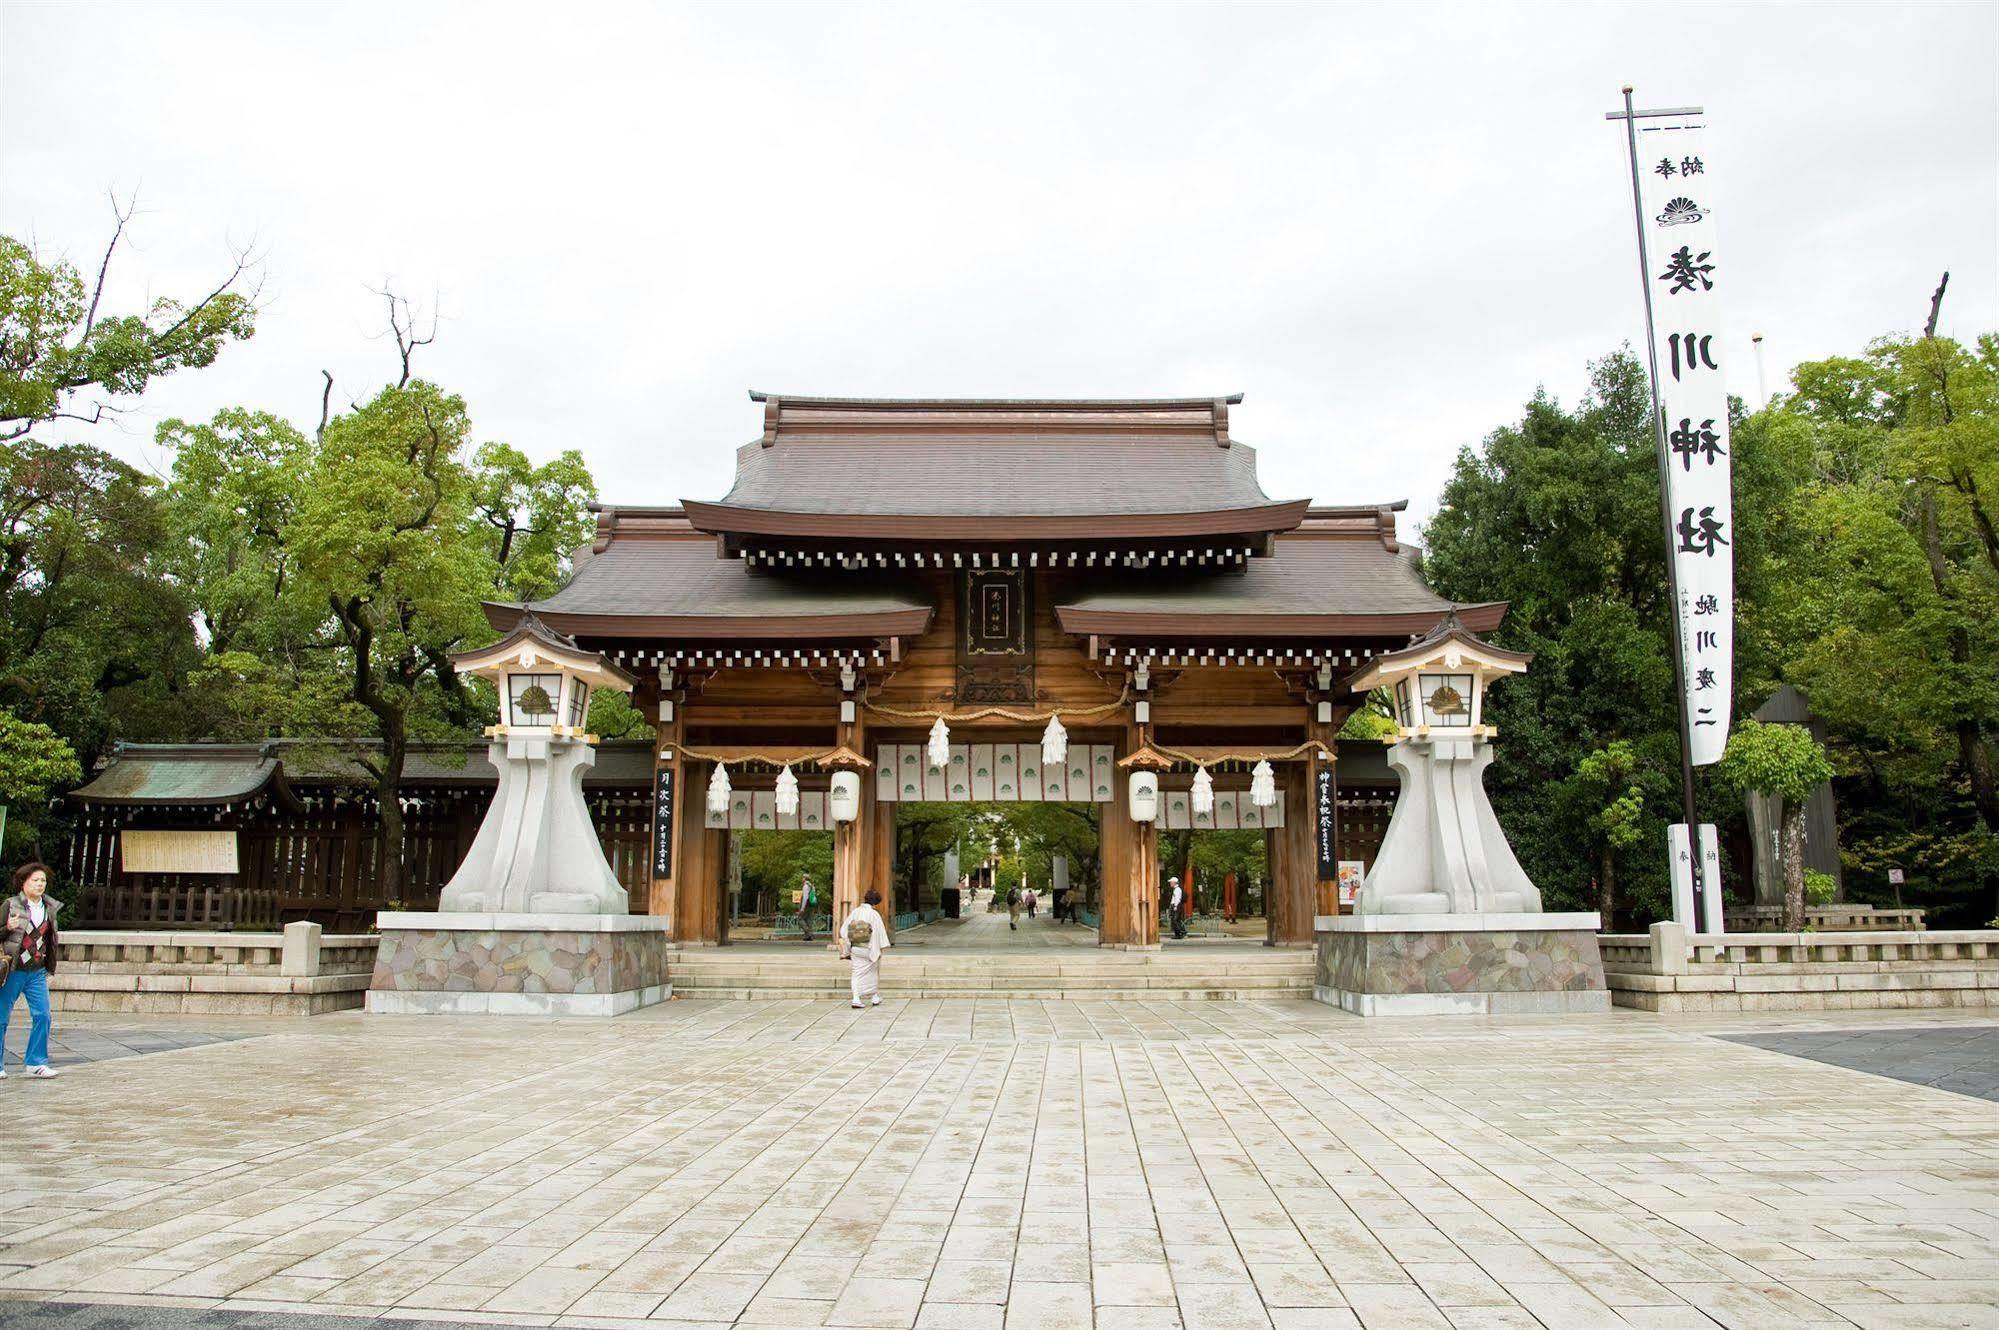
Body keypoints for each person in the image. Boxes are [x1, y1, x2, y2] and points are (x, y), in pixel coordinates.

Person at [1, 863, 61, 1079]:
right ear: (23, 882)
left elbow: (49, 938)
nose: (39, 884)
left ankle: (36, 1062)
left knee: (43, 1014)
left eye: (43, 881)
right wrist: (7, 928)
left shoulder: (49, 907)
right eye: (35, 880)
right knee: (1, 1017)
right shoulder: (11, 905)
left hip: (36, 970)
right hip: (14, 969)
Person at [840, 887, 889, 1008]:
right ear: (875, 902)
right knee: (874, 971)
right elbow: (879, 932)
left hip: (856, 946)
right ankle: (874, 996)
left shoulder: (855, 912)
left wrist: (850, 940)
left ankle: (856, 998)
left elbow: (844, 929)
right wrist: (880, 948)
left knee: (856, 973)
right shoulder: (874, 914)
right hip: (869, 947)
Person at [795, 873, 815, 942]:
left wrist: (802, 908)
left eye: (802, 878)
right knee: (808, 920)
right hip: (811, 905)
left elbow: (805, 898)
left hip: (806, 905)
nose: (802, 879)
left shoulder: (806, 886)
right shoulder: (812, 886)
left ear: (804, 878)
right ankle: (808, 936)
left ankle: (809, 933)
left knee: (800, 919)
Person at [1167, 875, 1187, 940]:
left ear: (1174, 882)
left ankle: (1181, 933)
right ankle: (1179, 933)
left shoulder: (1177, 890)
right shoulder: (1176, 889)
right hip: (1176, 905)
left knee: (1175, 920)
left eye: (1171, 882)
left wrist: (1175, 906)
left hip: (1176, 906)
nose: (1170, 883)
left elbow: (1177, 899)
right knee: (1176, 920)